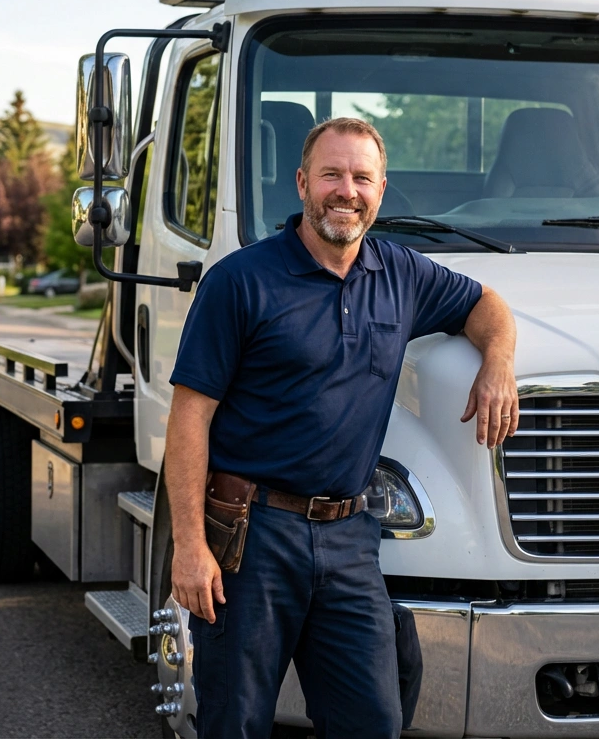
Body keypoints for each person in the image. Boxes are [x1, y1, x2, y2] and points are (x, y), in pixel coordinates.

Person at [165, 117, 518, 739]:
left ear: (382, 191)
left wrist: (498, 366)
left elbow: (487, 306)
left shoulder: (402, 275)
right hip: (252, 536)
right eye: (331, 174)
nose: (345, 191)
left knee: (372, 720)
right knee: (235, 721)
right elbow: (190, 417)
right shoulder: (240, 281)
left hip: (350, 537)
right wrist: (190, 546)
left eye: (361, 178)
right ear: (302, 183)